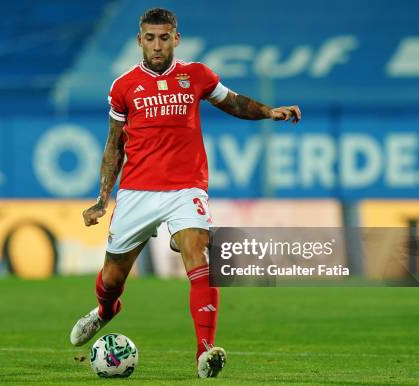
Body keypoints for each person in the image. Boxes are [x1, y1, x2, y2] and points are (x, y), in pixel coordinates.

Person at [69, 7, 301, 378]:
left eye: (164, 37)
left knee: (197, 251)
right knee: (112, 279)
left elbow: (234, 101)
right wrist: (102, 199)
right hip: (137, 191)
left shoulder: (196, 76)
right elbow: (114, 146)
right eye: (150, 38)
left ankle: (204, 352)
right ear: (139, 41)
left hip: (186, 188)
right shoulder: (123, 86)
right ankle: (105, 311)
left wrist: (269, 112)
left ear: (176, 38)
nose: (157, 45)